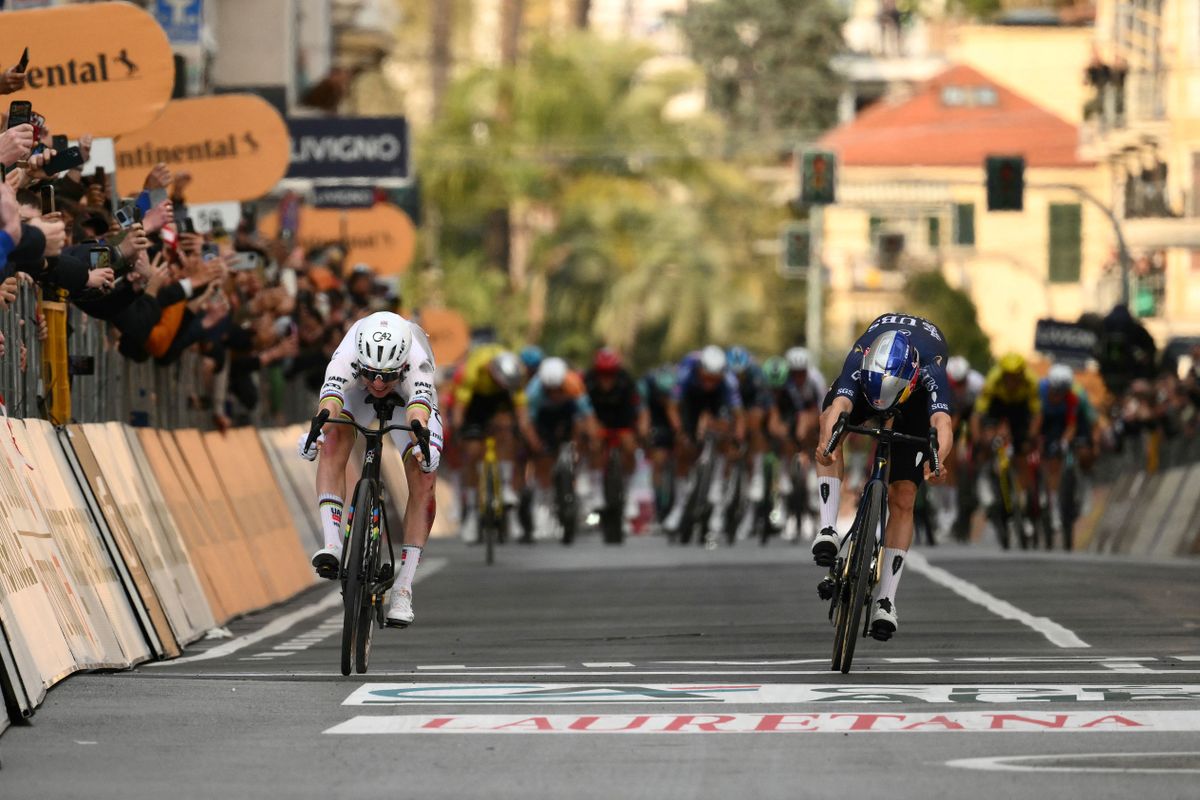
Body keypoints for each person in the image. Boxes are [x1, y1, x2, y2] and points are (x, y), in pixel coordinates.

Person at [813, 314, 954, 641]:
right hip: (870, 385)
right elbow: (840, 404)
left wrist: (938, 461)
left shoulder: (931, 370)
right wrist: (827, 443)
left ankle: (886, 600)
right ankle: (827, 528)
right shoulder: (859, 357)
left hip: (911, 403)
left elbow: (942, 423)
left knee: (904, 495)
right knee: (830, 429)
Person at [298, 311, 442, 628]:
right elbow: (331, 402)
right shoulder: (348, 353)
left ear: (401, 366)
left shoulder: (417, 361)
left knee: (424, 477)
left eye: (386, 375)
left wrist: (422, 443)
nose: (378, 383)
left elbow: (418, 412)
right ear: (360, 362)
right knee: (332, 439)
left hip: (407, 399)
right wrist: (316, 430)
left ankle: (403, 588)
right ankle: (333, 545)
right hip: (355, 393)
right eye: (371, 374)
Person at [451, 343, 533, 542]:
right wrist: (459, 431)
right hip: (475, 402)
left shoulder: (515, 372)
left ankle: (505, 486)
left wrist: (522, 431)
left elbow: (521, 411)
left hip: (500, 402)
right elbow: (460, 408)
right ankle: (472, 513)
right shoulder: (475, 369)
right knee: (472, 451)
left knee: (507, 428)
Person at [663, 345, 745, 538]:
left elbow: (739, 416)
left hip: (717, 402)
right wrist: (680, 431)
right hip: (692, 401)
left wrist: (737, 437)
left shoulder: (728, 382)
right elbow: (672, 407)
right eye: (706, 378)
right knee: (684, 447)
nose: (709, 383)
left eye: (714, 379)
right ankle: (679, 506)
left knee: (725, 435)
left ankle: (717, 493)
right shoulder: (686, 371)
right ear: (699, 370)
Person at [526, 356, 595, 536]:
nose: (555, 394)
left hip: (568, 417)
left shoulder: (574, 384)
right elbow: (528, 423)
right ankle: (545, 503)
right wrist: (536, 444)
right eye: (551, 390)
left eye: (559, 389)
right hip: (543, 420)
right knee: (543, 460)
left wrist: (588, 441)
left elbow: (588, 416)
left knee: (582, 431)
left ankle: (579, 481)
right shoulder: (533, 391)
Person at [583, 348, 646, 520]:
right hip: (598, 420)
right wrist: (590, 428)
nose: (606, 379)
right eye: (602, 374)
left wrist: (641, 428)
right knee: (594, 444)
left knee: (630, 447)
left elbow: (640, 409)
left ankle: (629, 492)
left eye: (610, 374)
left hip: (622, 420)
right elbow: (582, 410)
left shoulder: (626, 381)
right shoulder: (588, 381)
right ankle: (597, 490)